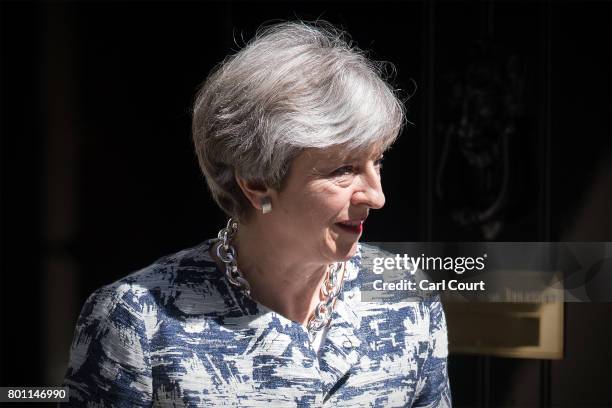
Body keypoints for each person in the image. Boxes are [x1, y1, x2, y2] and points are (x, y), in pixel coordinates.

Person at [61, 21, 451, 407]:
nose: (377, 196)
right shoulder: (139, 321)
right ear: (256, 182)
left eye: (377, 162)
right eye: (343, 170)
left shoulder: (405, 300)